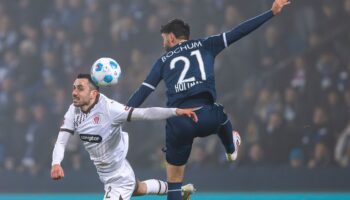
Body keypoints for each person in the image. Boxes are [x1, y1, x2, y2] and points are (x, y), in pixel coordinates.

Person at [127, 0, 290, 199]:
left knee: (175, 183)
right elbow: (239, 32)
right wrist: (271, 13)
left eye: (163, 39)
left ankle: (178, 191)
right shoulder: (206, 44)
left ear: (171, 37)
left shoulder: (162, 61)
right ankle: (231, 148)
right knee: (222, 116)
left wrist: (122, 112)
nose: (163, 44)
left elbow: (144, 91)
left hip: (178, 123)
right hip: (206, 116)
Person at [50, 74, 197, 200]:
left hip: (119, 179)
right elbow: (61, 141)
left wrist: (175, 111)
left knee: (136, 187)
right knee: (140, 188)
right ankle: (181, 191)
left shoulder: (110, 109)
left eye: (80, 88)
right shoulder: (73, 110)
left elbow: (145, 113)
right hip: (112, 171)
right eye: (74, 88)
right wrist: (56, 163)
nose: (74, 92)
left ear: (93, 94)